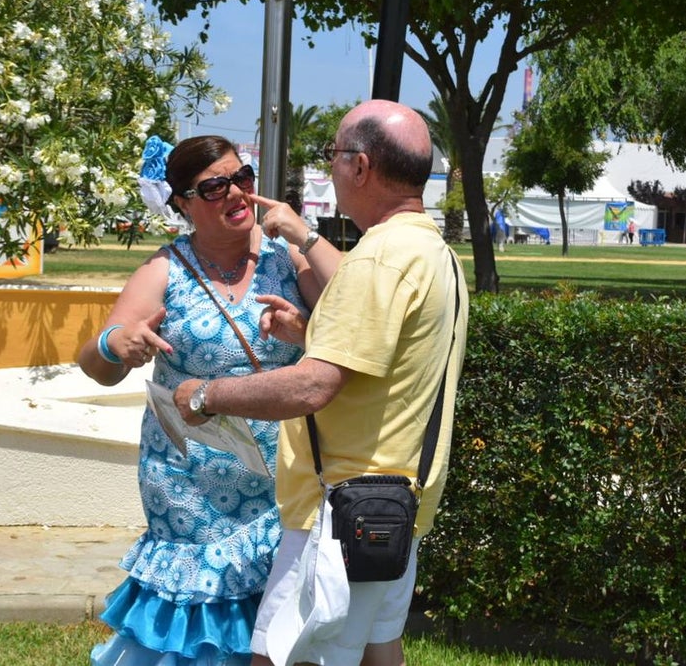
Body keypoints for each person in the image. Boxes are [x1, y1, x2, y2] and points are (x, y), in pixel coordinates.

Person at [173, 99, 470, 666]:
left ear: (359, 167)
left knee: (279, 657)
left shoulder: (379, 259)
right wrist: (313, 333)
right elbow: (387, 365)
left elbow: (313, 389)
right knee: (378, 651)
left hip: (339, 517)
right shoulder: (434, 252)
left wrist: (205, 395)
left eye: (334, 155)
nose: (331, 167)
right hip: (394, 509)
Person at [78, 134, 340, 666]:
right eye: (214, 186)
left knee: (286, 614)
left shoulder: (287, 257)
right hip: (188, 483)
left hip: (283, 474)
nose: (236, 193)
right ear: (182, 203)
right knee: (201, 620)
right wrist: (116, 344)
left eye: (241, 177)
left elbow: (363, 308)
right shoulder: (163, 272)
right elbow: (95, 362)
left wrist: (306, 236)